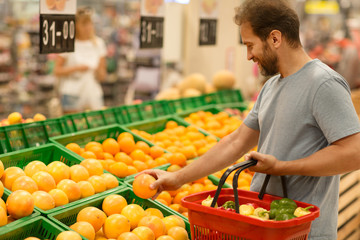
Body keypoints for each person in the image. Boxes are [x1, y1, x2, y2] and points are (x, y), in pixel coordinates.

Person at [143, 0, 360, 239]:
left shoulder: (324, 84)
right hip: (261, 224)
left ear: (275, 38)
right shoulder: (271, 87)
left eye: (250, 45)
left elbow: (353, 153)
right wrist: (177, 178)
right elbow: (236, 142)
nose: (248, 56)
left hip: (302, 231)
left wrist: (281, 168)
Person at [54, 7, 107, 113]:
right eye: (83, 24)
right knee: (73, 126)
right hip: (72, 93)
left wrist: (98, 72)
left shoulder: (98, 44)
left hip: (93, 93)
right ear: (75, 26)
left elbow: (102, 75)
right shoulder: (68, 44)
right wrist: (76, 68)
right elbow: (57, 70)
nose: (88, 28)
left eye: (90, 24)